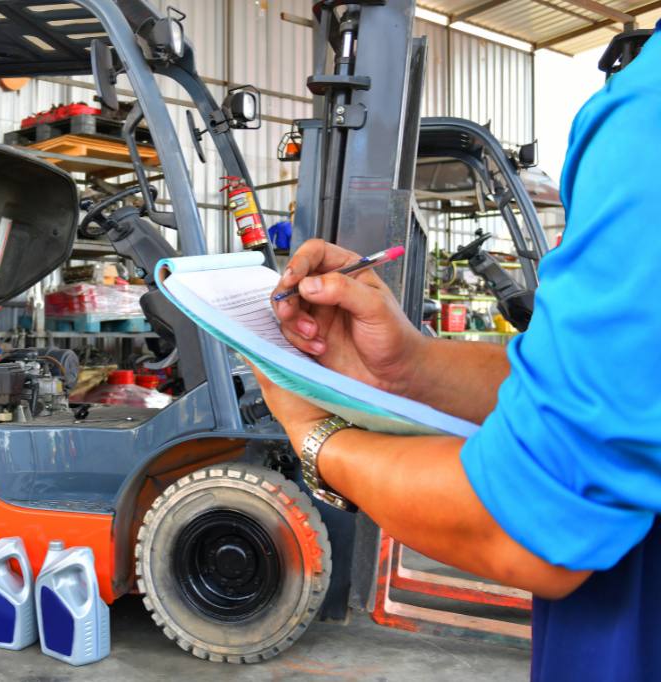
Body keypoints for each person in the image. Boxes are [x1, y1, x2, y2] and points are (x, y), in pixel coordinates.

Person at [253, 23, 661, 682]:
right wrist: (410, 366)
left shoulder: (647, 120)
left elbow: (529, 522)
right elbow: (607, 384)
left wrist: (315, 434)